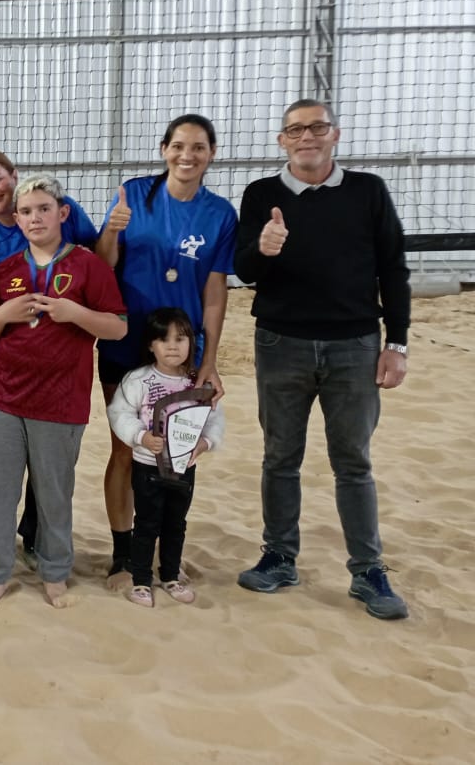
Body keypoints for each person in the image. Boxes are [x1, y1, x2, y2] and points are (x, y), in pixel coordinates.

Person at [235, 99, 410, 620]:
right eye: (295, 130)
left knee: (353, 461)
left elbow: (393, 268)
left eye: (315, 127)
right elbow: (246, 273)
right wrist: (263, 249)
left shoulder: (367, 191)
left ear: (334, 134)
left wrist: (396, 343)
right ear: (281, 141)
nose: (306, 136)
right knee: (280, 456)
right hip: (280, 343)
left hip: (353, 346)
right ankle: (279, 556)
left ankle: (367, 570)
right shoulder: (261, 196)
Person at [0, 175, 126, 613]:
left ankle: (55, 573)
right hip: (1, 395)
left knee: (54, 492)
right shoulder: (5, 270)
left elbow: (118, 326)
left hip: (60, 399)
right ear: (16, 219)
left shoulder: (88, 266)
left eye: (43, 209)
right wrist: (2, 312)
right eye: (26, 211)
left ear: (63, 214)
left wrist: (76, 312)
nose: (34, 217)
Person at [95, 114, 236, 586]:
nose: (187, 155)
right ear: (163, 148)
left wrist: (209, 359)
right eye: (179, 145)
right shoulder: (134, 194)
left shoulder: (220, 214)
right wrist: (112, 231)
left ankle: (164, 554)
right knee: (126, 446)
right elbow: (102, 265)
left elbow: (215, 291)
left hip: (181, 349)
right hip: (126, 339)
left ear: (211, 153)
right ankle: (122, 554)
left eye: (198, 147)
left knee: (176, 451)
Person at [0, 148, 97, 561]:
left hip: (60, 360)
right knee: (2, 463)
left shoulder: (58, 210)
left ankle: (37, 538)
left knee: (48, 462)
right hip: (4, 361)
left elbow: (99, 262)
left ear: (13, 174)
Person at [107, 307, 224, 608]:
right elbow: (118, 413)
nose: (172, 346)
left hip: (185, 468)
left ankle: (171, 574)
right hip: (147, 466)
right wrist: (140, 437)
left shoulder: (198, 382)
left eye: (180, 339)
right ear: (150, 345)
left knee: (176, 523)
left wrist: (205, 443)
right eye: (163, 339)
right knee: (146, 523)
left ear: (192, 344)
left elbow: (214, 418)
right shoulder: (137, 380)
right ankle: (141, 580)